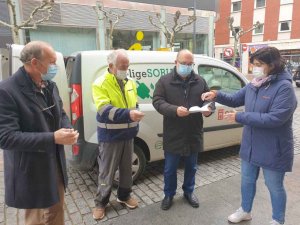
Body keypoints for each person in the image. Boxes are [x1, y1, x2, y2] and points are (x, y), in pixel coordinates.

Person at [202, 46, 297, 225]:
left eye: (259, 64)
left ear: (272, 65)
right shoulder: (255, 84)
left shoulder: (284, 88)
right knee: (247, 181)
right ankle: (245, 210)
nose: (255, 68)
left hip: (273, 147)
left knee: (274, 186)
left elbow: (275, 119)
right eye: (253, 64)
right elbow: (235, 98)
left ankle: (278, 220)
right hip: (251, 145)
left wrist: (240, 116)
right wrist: (215, 94)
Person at [0, 41, 79, 225]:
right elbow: (6, 138)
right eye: (52, 62)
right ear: (35, 63)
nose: (55, 66)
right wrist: (53, 138)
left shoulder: (49, 85)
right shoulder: (7, 91)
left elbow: (62, 113)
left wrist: (67, 129)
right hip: (31, 170)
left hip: (55, 163)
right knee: (37, 219)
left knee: (56, 211)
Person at [152, 49, 214, 210]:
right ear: (176, 62)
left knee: (192, 167)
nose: (187, 66)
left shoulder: (200, 81)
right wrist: (174, 110)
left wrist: (209, 109)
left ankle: (188, 191)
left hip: (193, 132)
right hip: (173, 132)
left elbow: (209, 101)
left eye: (190, 64)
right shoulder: (164, 81)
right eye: (183, 63)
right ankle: (169, 194)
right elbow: (157, 101)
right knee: (170, 168)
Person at [92, 49, 144, 220]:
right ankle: (101, 203)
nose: (125, 70)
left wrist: (135, 112)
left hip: (128, 134)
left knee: (126, 170)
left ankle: (124, 195)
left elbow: (133, 103)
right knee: (106, 172)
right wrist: (129, 114)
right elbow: (105, 110)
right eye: (122, 67)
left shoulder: (130, 83)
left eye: (127, 67)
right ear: (111, 66)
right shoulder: (100, 83)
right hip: (110, 137)